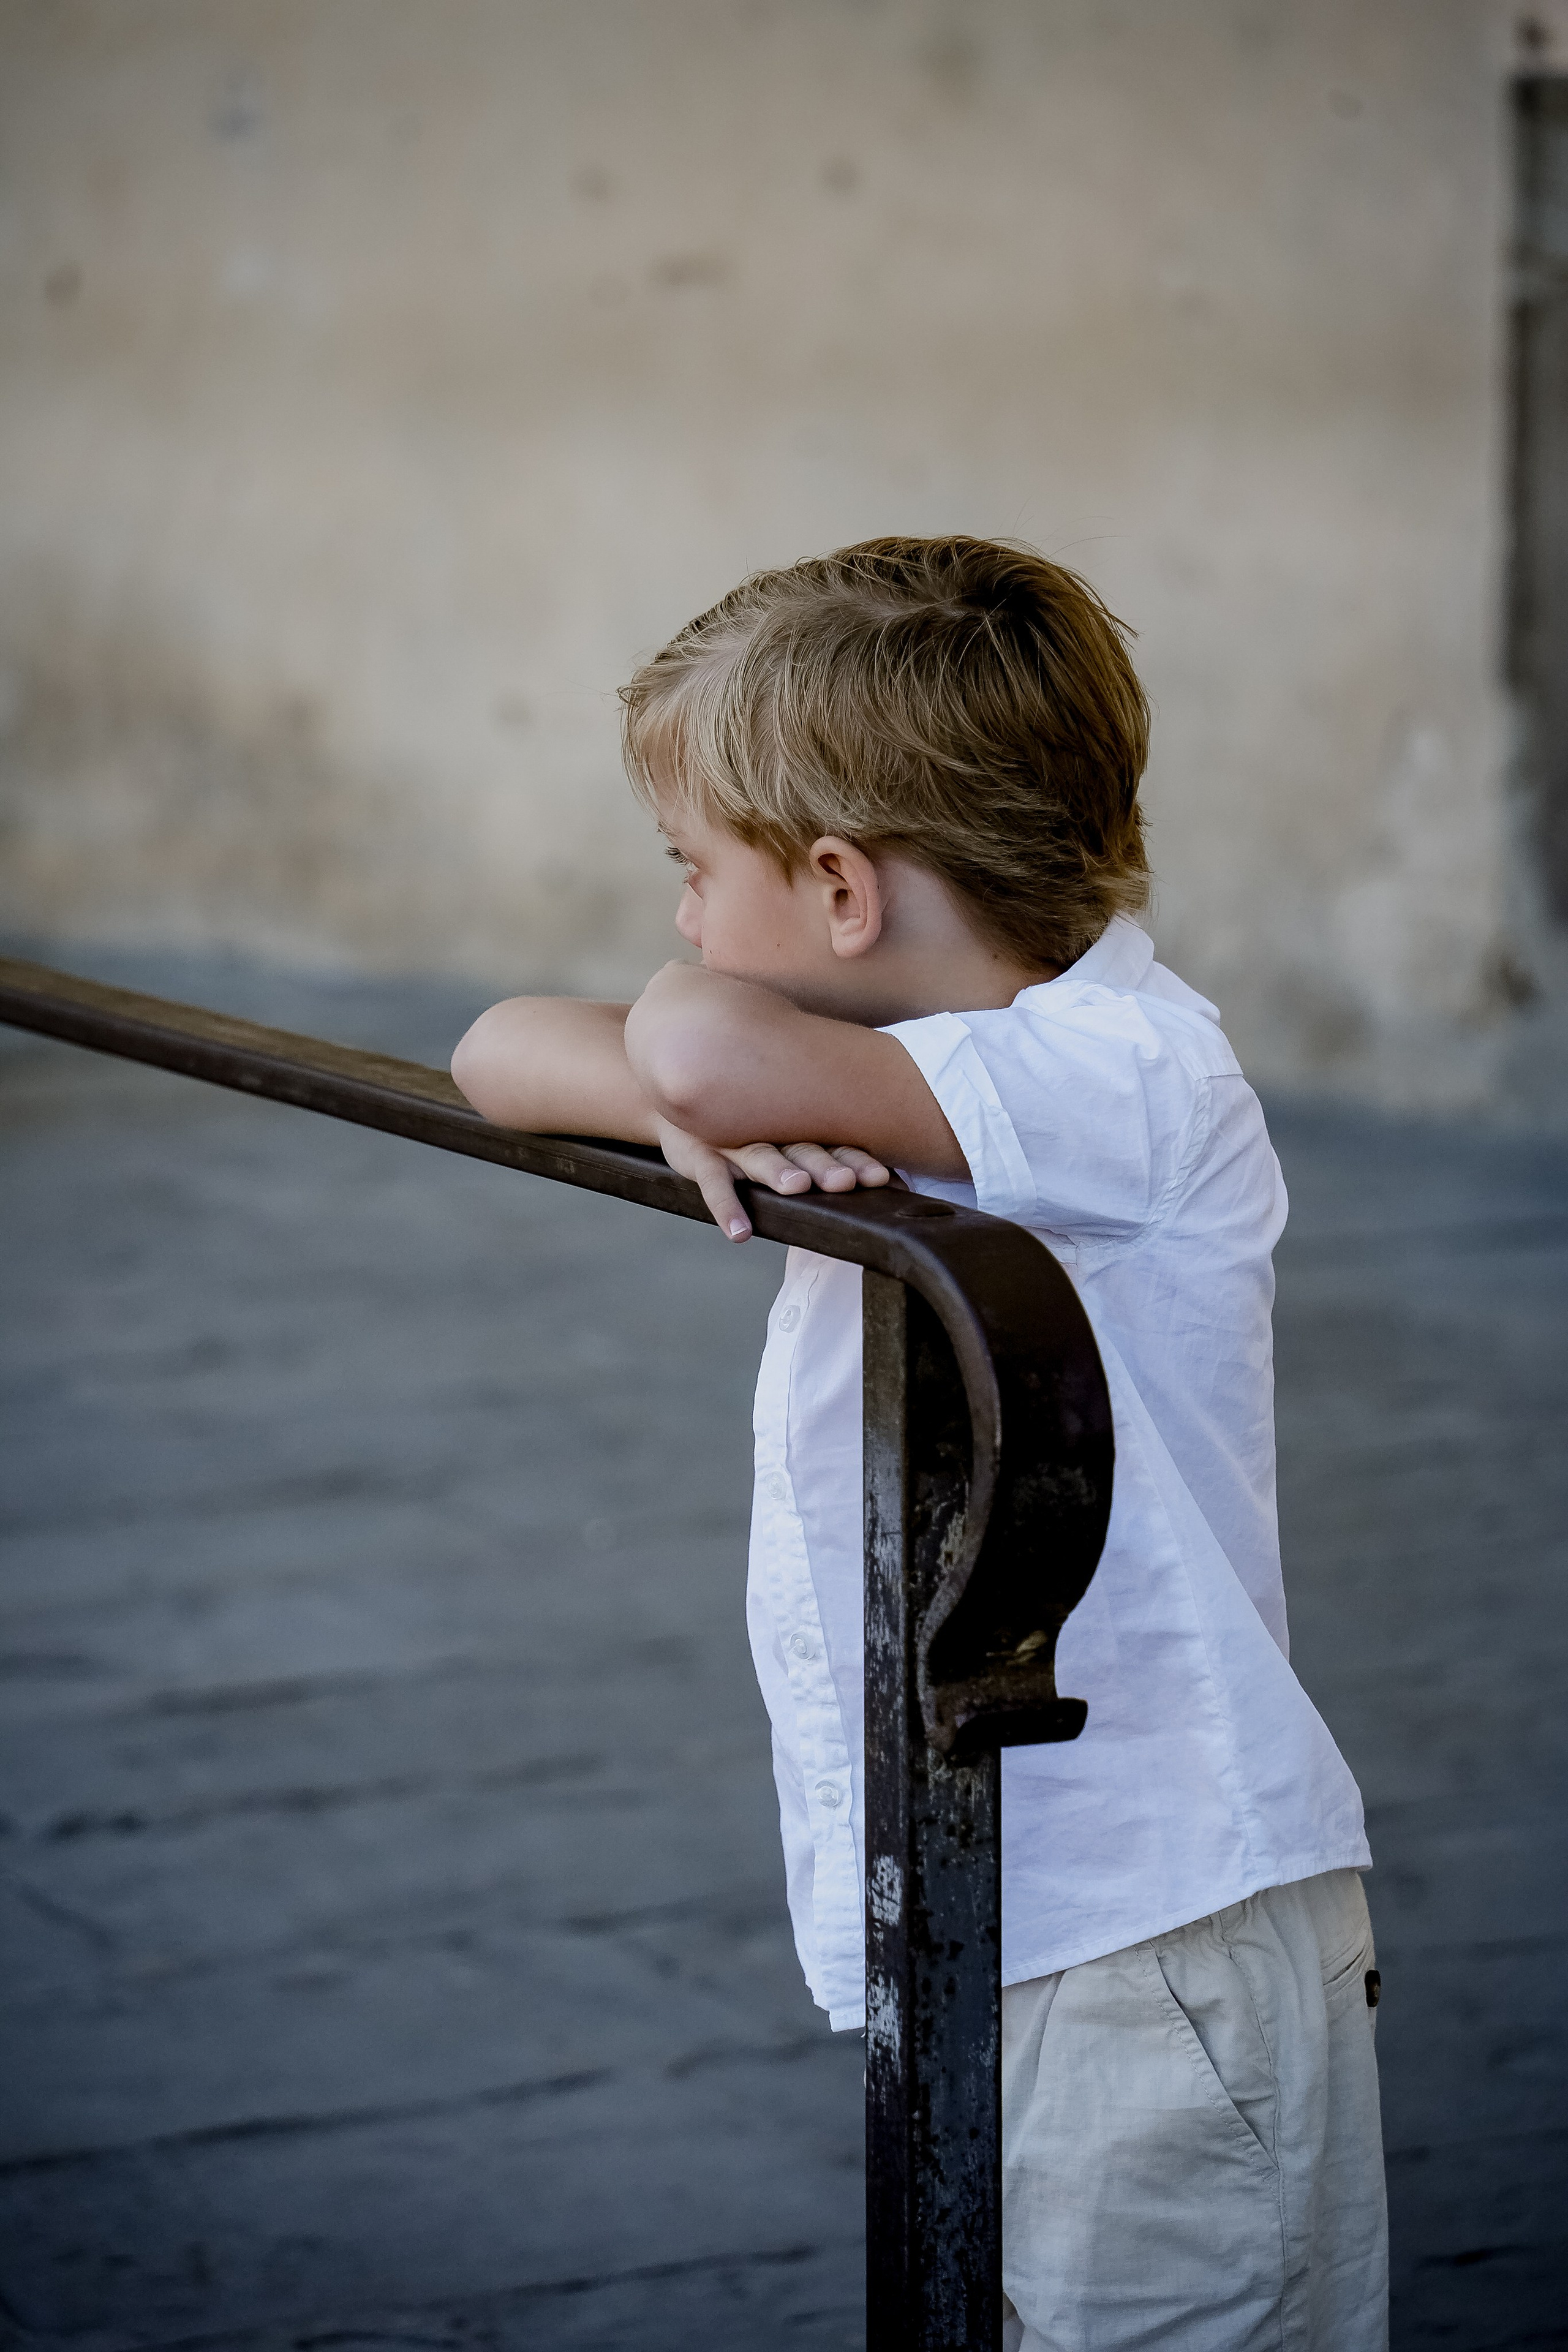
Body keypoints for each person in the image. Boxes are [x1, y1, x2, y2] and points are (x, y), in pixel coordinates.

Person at [451, 535, 1387, 2350]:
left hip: (1160, 1953)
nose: (679, 930)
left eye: (691, 875)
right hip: (1024, 1914)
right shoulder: (937, 1055)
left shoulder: (1125, 1073)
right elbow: (499, 1050)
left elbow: (702, 1046)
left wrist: (698, 1073)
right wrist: (691, 1078)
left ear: (837, 887)